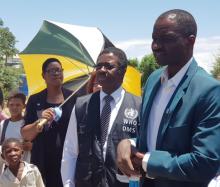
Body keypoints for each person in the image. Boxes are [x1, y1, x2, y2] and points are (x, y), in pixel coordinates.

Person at [117, 9, 220, 187]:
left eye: (166, 39)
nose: (155, 46)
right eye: (154, 38)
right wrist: (129, 142)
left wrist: (148, 161)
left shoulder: (209, 91)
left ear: (191, 40)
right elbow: (150, 137)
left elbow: (205, 162)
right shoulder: (153, 80)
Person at [61, 47, 141, 187]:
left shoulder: (139, 106)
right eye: (99, 66)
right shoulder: (81, 105)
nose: (102, 70)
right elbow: (70, 151)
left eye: (109, 66)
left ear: (123, 71)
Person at [21, 58, 77, 187]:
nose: (56, 73)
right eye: (51, 71)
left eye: (58, 70)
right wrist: (38, 123)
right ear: (43, 76)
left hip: (68, 161)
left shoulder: (75, 98)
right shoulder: (35, 100)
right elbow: (26, 135)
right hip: (42, 161)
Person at [0, 92, 31, 173]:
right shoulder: (3, 124)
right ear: (7, 106)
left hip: (25, 169)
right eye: (11, 104)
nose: (14, 107)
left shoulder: (28, 124)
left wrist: (31, 146)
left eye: (18, 105)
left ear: (24, 106)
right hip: (8, 170)